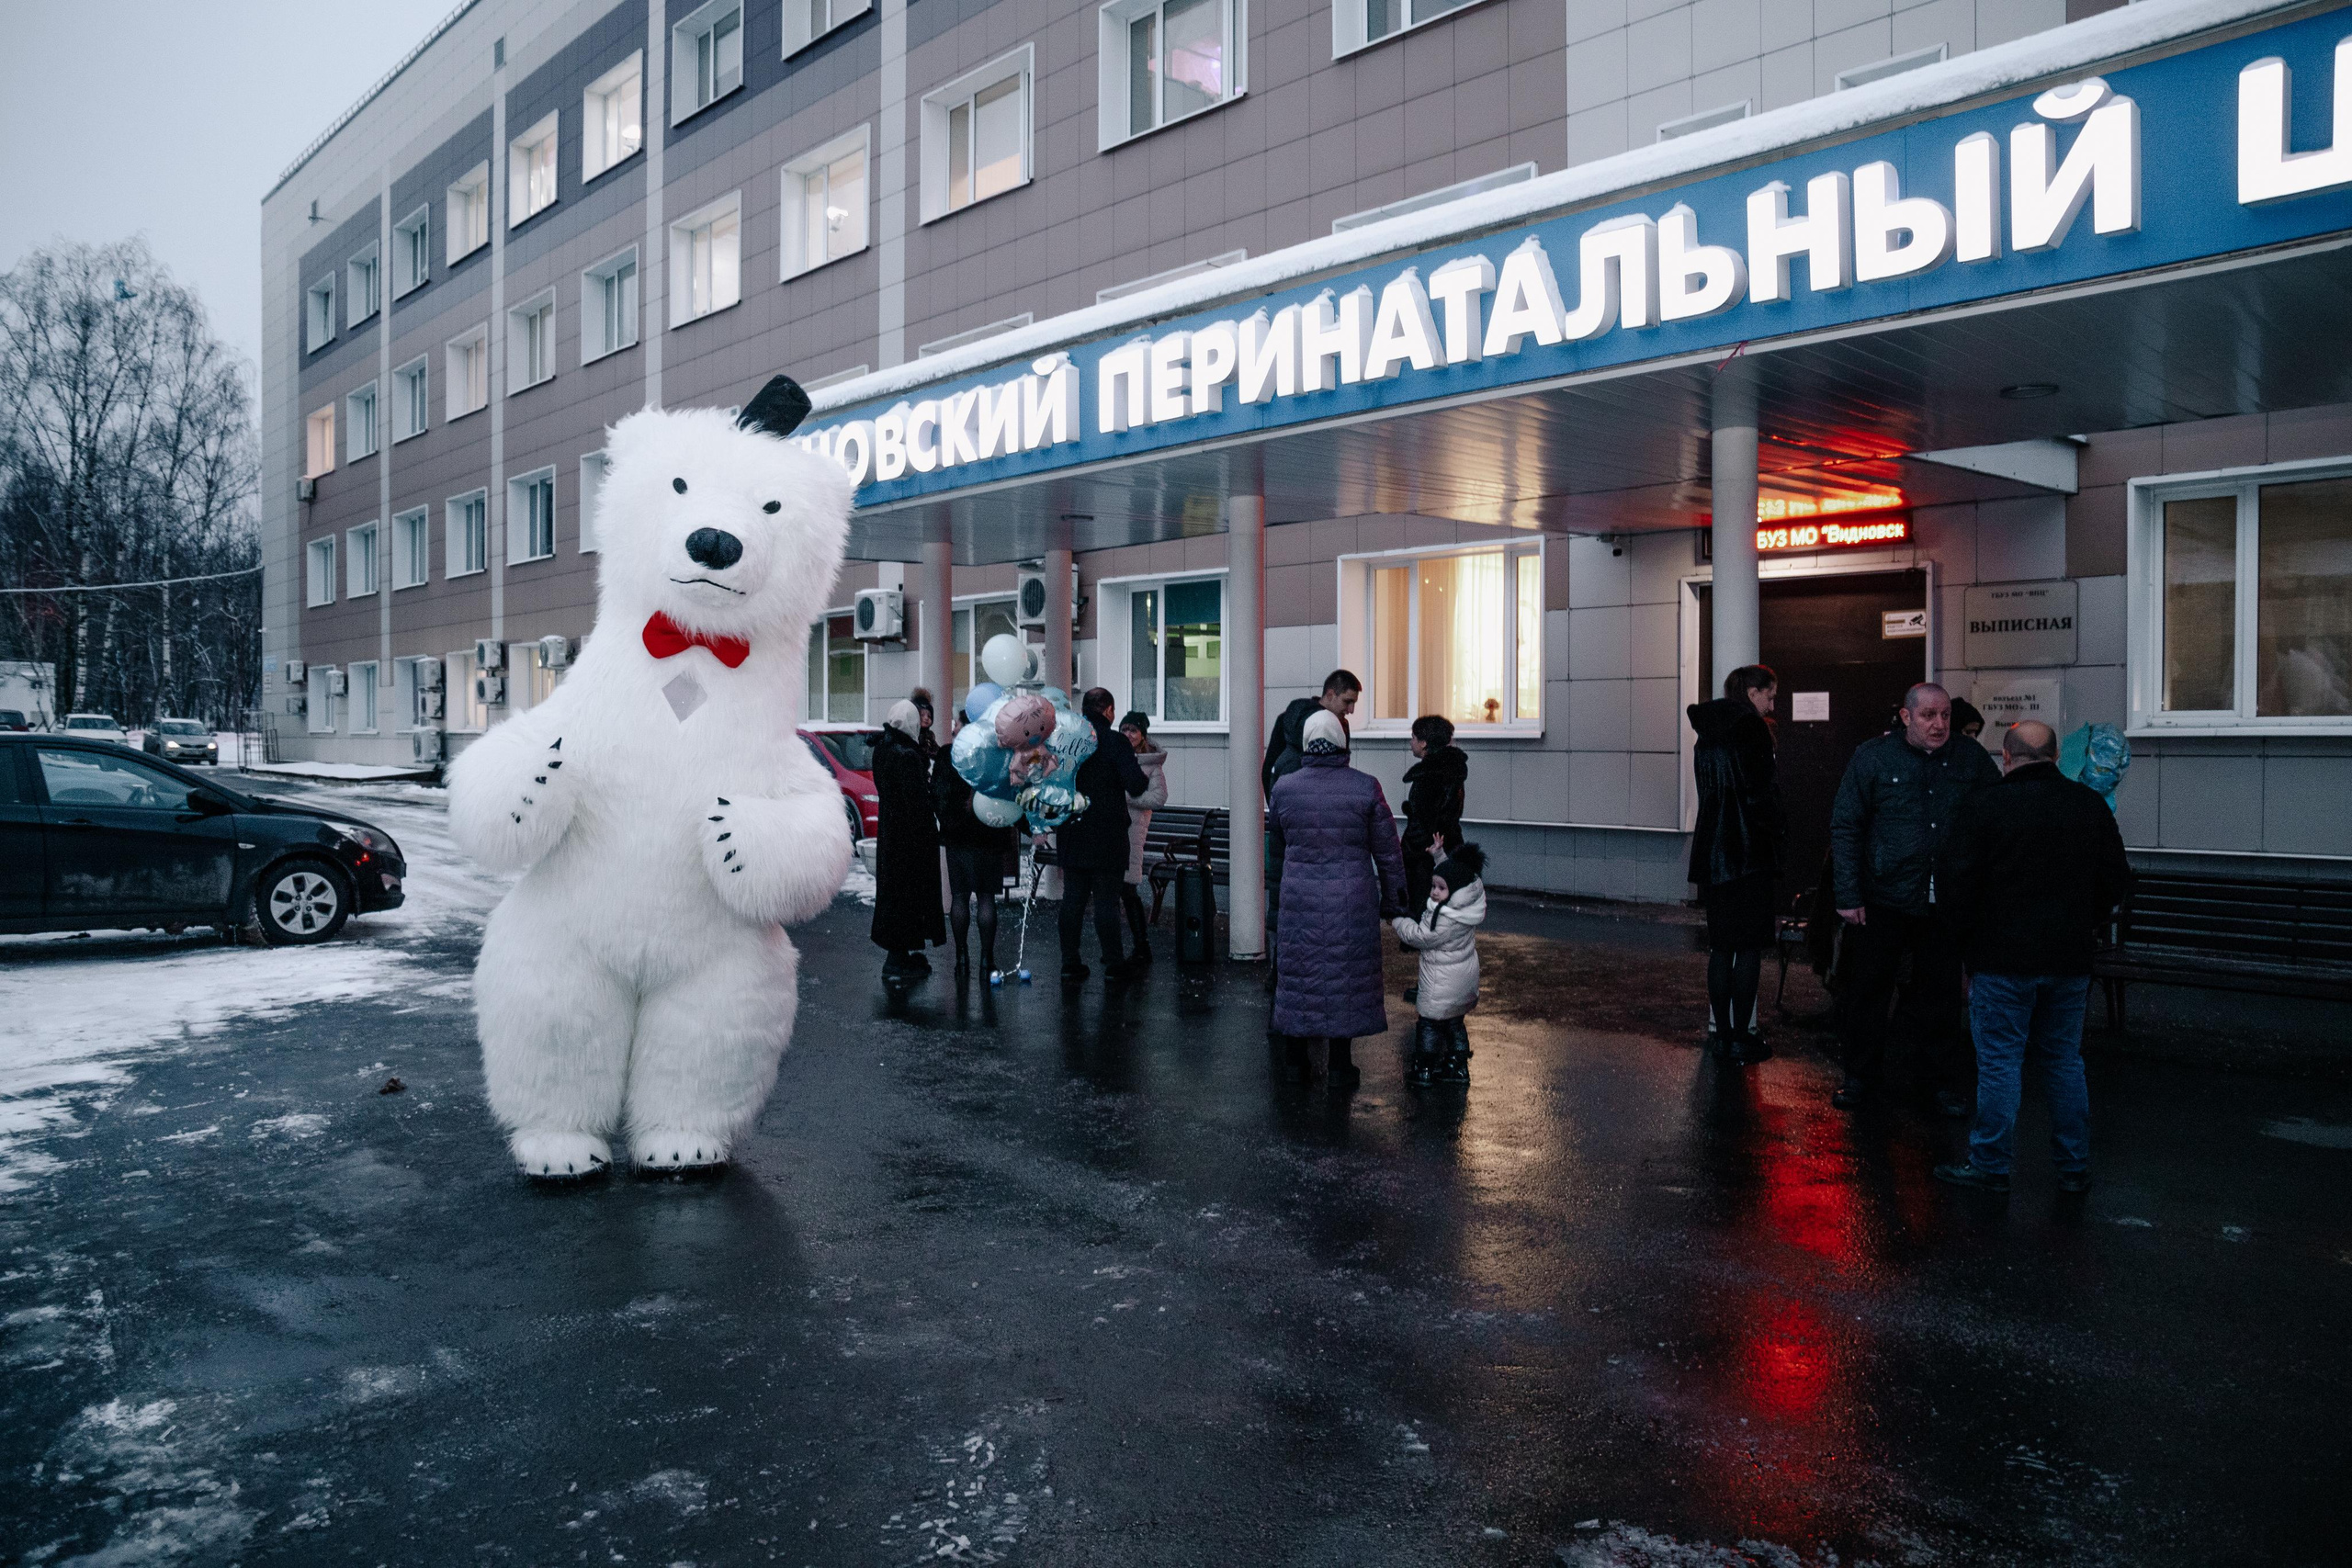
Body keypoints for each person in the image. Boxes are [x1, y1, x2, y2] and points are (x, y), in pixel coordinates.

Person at [1930, 721, 2133, 1194]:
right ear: (2057, 756)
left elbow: (1956, 884)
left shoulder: (1983, 806)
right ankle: (2073, 1166)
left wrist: (1965, 946)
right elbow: (2115, 880)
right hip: (2068, 958)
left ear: (2006, 757)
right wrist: (2082, 921)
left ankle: (1991, 1164)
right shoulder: (2088, 806)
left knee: (2000, 1062)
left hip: (2000, 959)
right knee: (2063, 1061)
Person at [1826, 682, 2001, 1111]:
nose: (1939, 724)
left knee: (1940, 995)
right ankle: (1860, 1078)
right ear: (1906, 717)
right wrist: (1847, 893)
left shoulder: (1970, 758)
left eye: (1944, 715)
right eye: (1928, 716)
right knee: (1869, 992)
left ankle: (1937, 1083)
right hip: (1883, 896)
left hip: (1945, 900)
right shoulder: (1873, 757)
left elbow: (1994, 820)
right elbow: (1847, 825)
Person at [1268, 709, 1407, 1089]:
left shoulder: (1285, 788)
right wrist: (1395, 902)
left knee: (1299, 977)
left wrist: (1276, 898)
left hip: (1299, 898)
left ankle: (1295, 1063)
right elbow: (1388, 853)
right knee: (1346, 977)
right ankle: (1341, 1067)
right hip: (1352, 899)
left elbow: (1277, 842)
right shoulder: (1366, 787)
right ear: (1343, 743)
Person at [1688, 665, 1784, 1066]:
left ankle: (1722, 1036)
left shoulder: (1707, 732)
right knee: (1747, 949)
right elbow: (1762, 795)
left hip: (1713, 852)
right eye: (1769, 695)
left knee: (1721, 946)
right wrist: (1777, 834)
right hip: (1748, 853)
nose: (1771, 705)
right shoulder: (1752, 730)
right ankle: (1743, 1035)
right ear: (1752, 692)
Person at [1261, 671, 1363, 988]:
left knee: (1288, 902)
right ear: (1329, 694)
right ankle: (1293, 973)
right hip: (1310, 832)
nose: (1351, 710)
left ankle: (1283, 973)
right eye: (1347, 701)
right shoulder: (1320, 726)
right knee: (1308, 906)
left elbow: (1268, 769)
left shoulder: (1292, 724)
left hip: (1292, 830)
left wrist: (1281, 809)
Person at [1056, 687, 1150, 984]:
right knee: (1106, 902)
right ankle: (1113, 963)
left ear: (1084, 711)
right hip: (1108, 835)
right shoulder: (1115, 742)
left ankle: (1070, 962)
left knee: (1072, 900)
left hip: (1073, 830)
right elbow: (1136, 785)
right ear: (1108, 711)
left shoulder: (1067, 741)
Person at [1391, 842, 1487, 1088]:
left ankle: (1424, 1067)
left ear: (1453, 891)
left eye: (1440, 888)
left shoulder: (1444, 919)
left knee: (1429, 1024)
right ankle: (1458, 1066)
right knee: (1455, 1023)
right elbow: (1454, 875)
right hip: (1462, 982)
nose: (1434, 892)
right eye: (1433, 886)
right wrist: (1439, 856)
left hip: (1440, 983)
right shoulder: (1464, 904)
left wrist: (1398, 920)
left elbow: (1420, 936)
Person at [935, 706, 1015, 980]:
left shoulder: (948, 755)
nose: (954, 729)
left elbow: (938, 795)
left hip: (958, 837)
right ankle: (987, 960)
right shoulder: (998, 755)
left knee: (959, 897)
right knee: (986, 898)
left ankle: (961, 958)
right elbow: (1009, 791)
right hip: (989, 833)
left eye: (957, 724)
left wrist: (951, 820)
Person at [870, 698, 944, 979]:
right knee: (907, 898)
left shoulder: (882, 749)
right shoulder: (907, 756)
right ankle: (897, 960)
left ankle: (899, 956)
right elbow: (917, 804)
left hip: (890, 834)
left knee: (893, 897)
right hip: (909, 841)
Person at [1400, 715, 1467, 914]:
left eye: (1413, 737)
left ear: (1424, 743)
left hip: (1426, 855)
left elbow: (1425, 820)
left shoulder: (1429, 776)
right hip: (1448, 846)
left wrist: (1409, 851)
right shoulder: (1451, 769)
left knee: (1424, 909)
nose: (1411, 742)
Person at [1119, 711, 1169, 964]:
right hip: (1114, 828)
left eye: (1133, 730)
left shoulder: (1151, 763)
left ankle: (1142, 944)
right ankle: (1123, 946)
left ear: (1142, 735)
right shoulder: (1118, 755)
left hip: (1134, 830)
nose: (1128, 735)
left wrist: (1127, 798)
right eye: (1124, 729)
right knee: (1117, 888)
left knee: (1128, 888)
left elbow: (1158, 798)